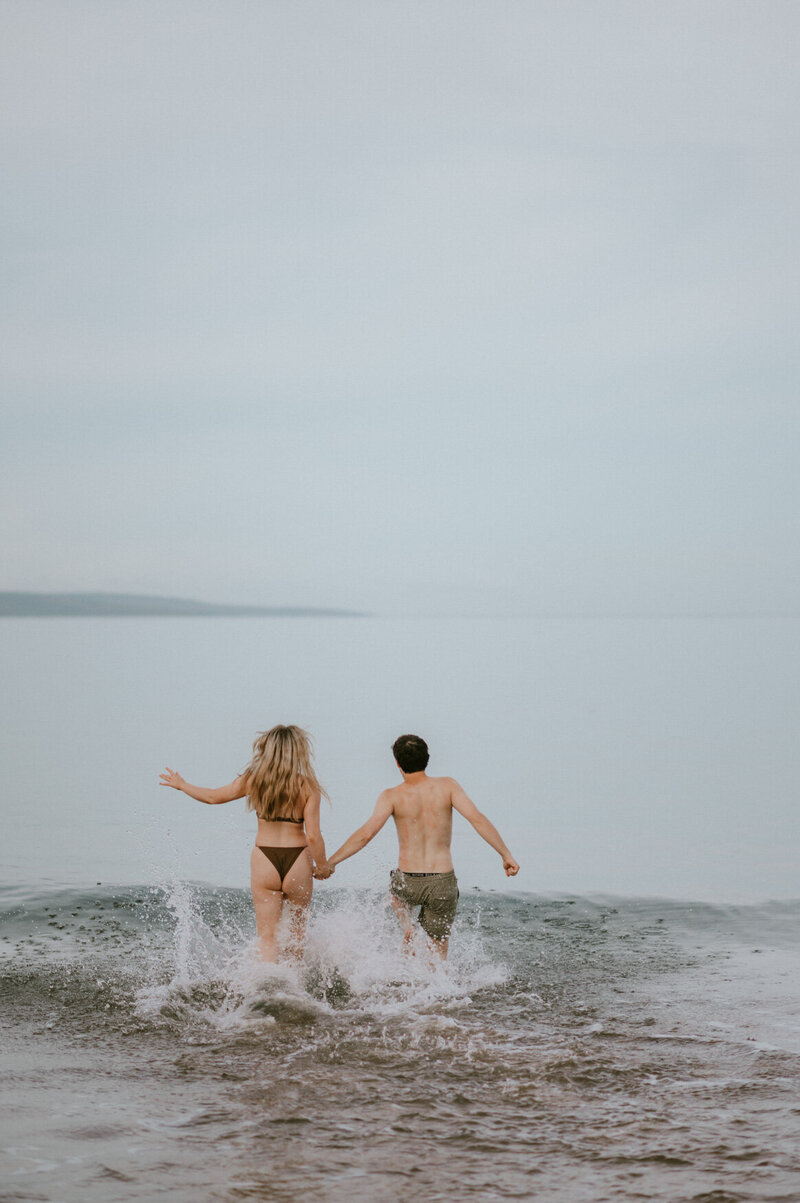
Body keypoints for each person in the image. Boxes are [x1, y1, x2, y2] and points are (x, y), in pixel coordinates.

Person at [321, 734, 519, 959]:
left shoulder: (391, 796)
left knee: (395, 894)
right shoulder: (448, 786)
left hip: (408, 880)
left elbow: (365, 835)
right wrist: (505, 854)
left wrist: (331, 862)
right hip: (441, 882)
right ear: (427, 758)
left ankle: (408, 927)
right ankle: (438, 986)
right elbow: (477, 819)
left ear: (397, 763)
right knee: (438, 952)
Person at [159, 724, 332, 962]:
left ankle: (270, 984)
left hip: (264, 860)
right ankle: (293, 991)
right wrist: (322, 866)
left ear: (267, 750)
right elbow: (313, 835)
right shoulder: (308, 786)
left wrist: (182, 785)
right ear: (299, 751)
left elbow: (212, 797)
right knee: (296, 935)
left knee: (267, 937)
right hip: (298, 860)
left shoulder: (255, 781)